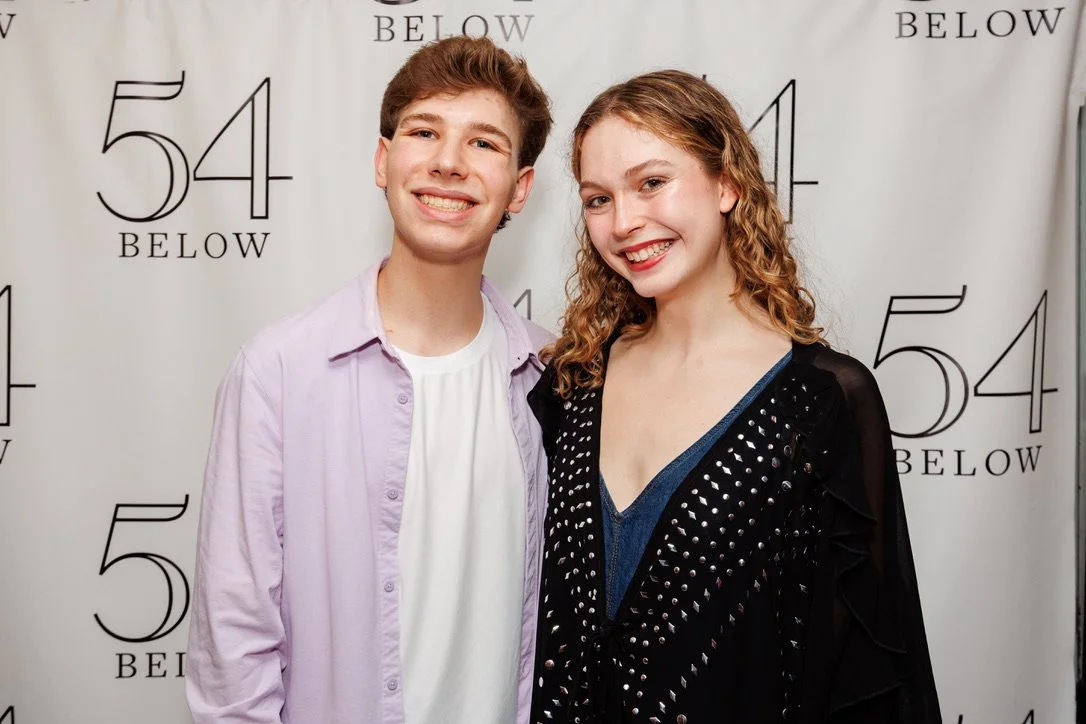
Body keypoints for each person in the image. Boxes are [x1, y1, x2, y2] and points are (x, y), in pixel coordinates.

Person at [527, 70, 941, 723]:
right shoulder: (570, 385)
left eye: (652, 183)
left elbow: (871, 671)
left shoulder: (823, 402)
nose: (625, 221)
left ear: (727, 185)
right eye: (597, 199)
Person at [186, 36, 554, 724]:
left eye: (484, 144)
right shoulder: (279, 371)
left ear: (520, 189)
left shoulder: (556, 379)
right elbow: (233, 648)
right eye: (424, 132)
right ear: (384, 162)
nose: (448, 162)